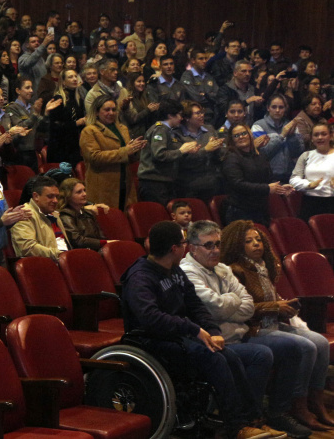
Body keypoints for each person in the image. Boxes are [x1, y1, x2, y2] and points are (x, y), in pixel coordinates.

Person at [121, 221, 279, 439]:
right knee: (214, 358)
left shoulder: (174, 270)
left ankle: (253, 419)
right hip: (151, 339)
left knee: (229, 356)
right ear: (174, 248)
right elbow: (150, 319)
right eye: (183, 243)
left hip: (177, 334)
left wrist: (213, 330)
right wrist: (193, 329)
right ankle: (236, 426)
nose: (185, 247)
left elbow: (195, 305)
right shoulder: (141, 276)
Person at [221, 220, 334, 431]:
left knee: (320, 342)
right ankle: (294, 405)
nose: (256, 244)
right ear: (237, 245)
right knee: (306, 346)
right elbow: (240, 309)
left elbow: (272, 300)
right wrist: (275, 307)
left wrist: (285, 306)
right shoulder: (235, 270)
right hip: (253, 329)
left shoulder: (264, 266)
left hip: (274, 324)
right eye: (249, 241)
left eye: (258, 239)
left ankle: (314, 403)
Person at [79, 95, 145, 210]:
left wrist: (135, 150)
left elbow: (128, 155)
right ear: (96, 112)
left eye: (114, 109)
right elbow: (94, 157)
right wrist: (125, 151)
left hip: (125, 184)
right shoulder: (89, 131)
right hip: (103, 186)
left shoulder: (123, 128)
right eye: (107, 110)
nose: (111, 112)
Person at [222, 124, 292, 226]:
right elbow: (238, 184)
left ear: (249, 135)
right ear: (232, 140)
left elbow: (268, 179)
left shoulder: (260, 155)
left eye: (244, 133)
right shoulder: (231, 157)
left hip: (261, 209)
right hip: (239, 210)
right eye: (236, 136)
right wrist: (267, 188)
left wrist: (279, 188)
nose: (241, 137)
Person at [137, 99, 199, 207]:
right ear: (170, 115)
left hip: (163, 181)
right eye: (179, 115)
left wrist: (186, 151)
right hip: (154, 182)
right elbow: (159, 154)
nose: (181, 118)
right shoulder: (160, 129)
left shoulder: (168, 130)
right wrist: (181, 151)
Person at [10, 176, 70, 259]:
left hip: (62, 261)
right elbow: (28, 248)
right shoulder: (24, 214)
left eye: (57, 196)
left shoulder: (54, 213)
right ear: (36, 196)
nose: (55, 200)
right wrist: (61, 255)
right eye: (50, 196)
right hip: (43, 265)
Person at [177, 101, 225, 202]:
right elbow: (182, 161)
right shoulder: (178, 135)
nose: (202, 115)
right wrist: (206, 149)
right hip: (189, 184)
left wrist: (218, 146)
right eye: (197, 113)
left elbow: (219, 156)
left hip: (212, 181)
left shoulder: (209, 129)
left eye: (202, 112)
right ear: (187, 118)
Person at [252, 94, 304, 183]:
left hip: (289, 175)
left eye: (281, 107)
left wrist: (291, 137)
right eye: (274, 107)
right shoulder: (258, 126)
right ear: (268, 108)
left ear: (285, 109)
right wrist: (281, 136)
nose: (277, 110)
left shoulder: (291, 125)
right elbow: (262, 153)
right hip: (267, 177)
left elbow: (299, 152)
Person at [289, 121, 334, 219]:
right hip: (310, 203)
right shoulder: (306, 155)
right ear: (312, 139)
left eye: (324, 134)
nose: (320, 137)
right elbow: (294, 179)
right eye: (316, 135)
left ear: (331, 136)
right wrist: (308, 185)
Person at [46, 67, 86, 165]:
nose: (75, 79)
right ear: (63, 82)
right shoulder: (58, 99)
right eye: (70, 77)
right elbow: (54, 126)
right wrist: (75, 123)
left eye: (75, 76)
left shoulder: (78, 99)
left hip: (74, 145)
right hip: (59, 147)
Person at [57, 178, 108, 251]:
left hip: (96, 250)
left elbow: (101, 236)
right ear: (68, 195)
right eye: (79, 192)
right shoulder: (65, 215)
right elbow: (77, 240)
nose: (84, 194)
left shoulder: (89, 213)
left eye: (84, 190)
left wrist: (107, 243)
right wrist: (104, 243)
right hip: (81, 253)